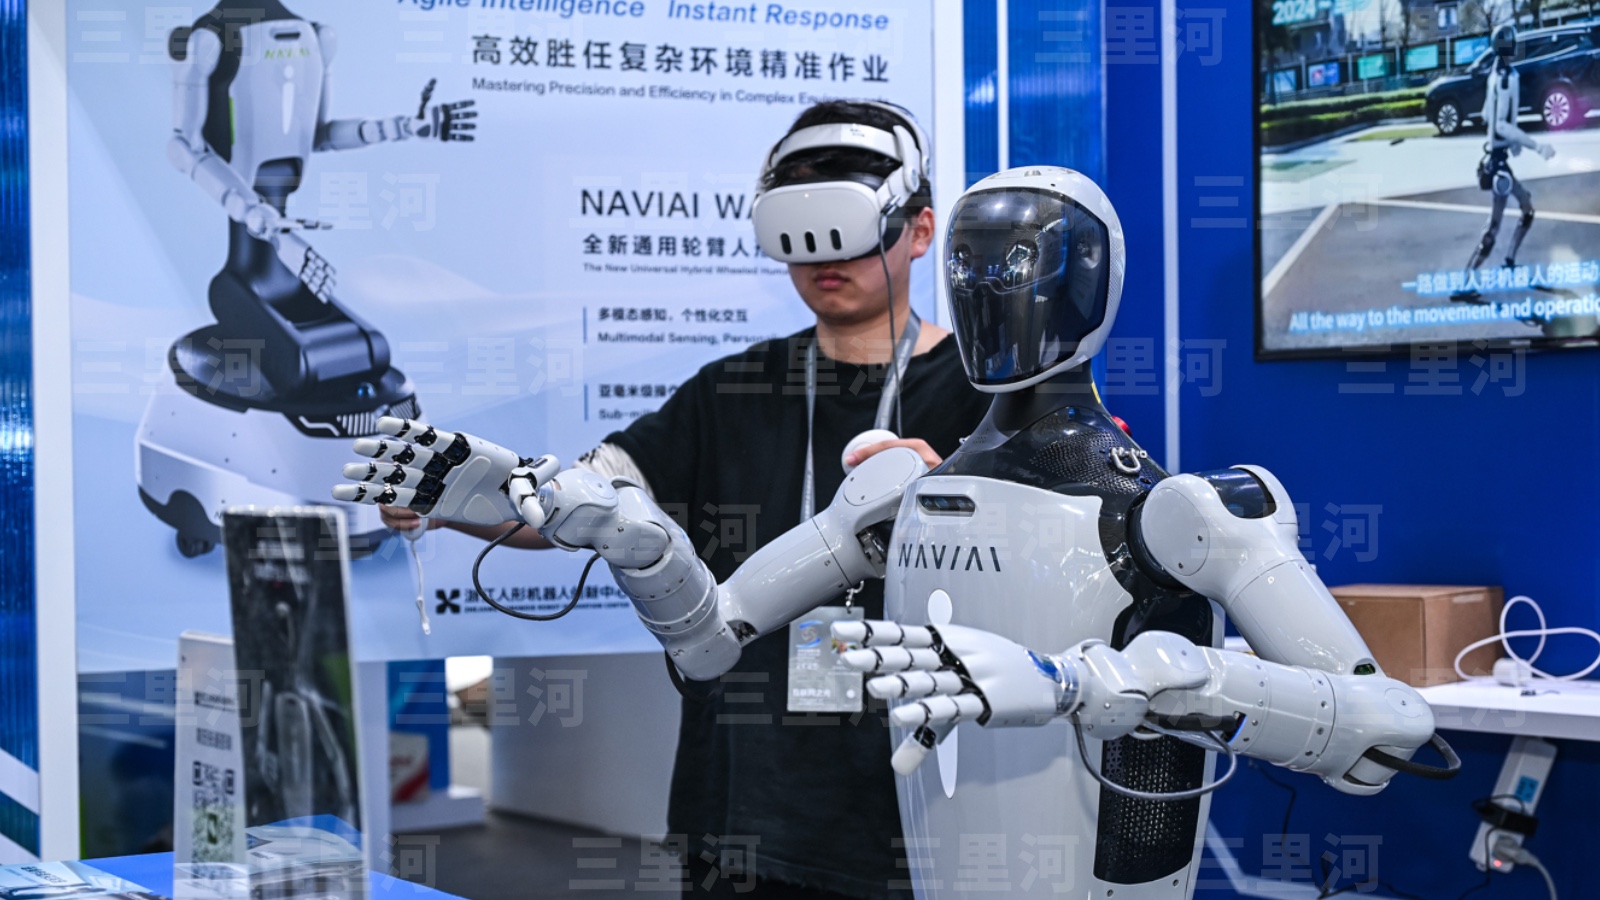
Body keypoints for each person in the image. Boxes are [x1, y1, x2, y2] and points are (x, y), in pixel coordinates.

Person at [378, 100, 990, 898]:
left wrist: (958, 498)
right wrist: (453, 499)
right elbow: (586, 503)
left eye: (845, 230)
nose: (824, 259)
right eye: (800, 233)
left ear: (919, 231)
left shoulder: (987, 399)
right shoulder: (731, 389)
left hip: (910, 808)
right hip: (737, 804)